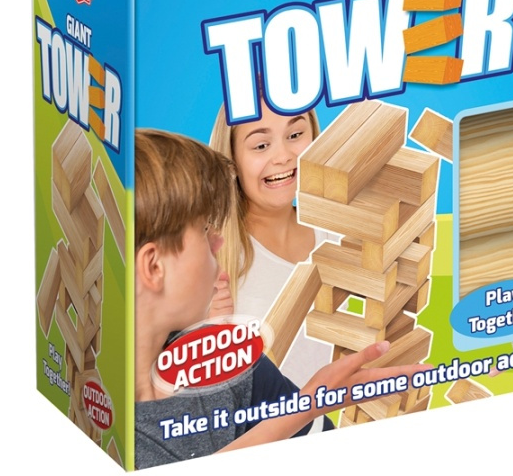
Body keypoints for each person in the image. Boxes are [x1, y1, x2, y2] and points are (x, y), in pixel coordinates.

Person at [133, 128, 426, 468]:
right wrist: (308, 404)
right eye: (203, 231)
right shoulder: (109, 423)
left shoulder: (228, 362)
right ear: (153, 266)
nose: (218, 242)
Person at [209, 103, 334, 388]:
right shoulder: (213, 259)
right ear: (232, 162)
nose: (283, 157)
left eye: (295, 135)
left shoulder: (337, 232)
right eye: (261, 145)